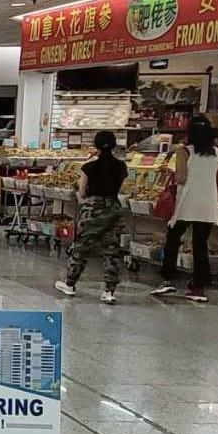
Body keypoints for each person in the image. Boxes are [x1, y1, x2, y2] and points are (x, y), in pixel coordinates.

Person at [152, 114, 218, 303]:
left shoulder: (184, 152)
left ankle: (168, 279)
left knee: (173, 239)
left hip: (186, 203)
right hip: (207, 204)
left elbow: (181, 178)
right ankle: (198, 287)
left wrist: (169, 173)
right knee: (200, 245)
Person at [55, 130, 128, 304]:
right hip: (113, 208)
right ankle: (109, 291)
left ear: (96, 146)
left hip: (92, 210)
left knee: (81, 248)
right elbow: (120, 189)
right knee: (112, 251)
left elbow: (82, 192)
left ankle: (70, 284)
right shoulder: (121, 166)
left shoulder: (89, 167)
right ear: (114, 145)